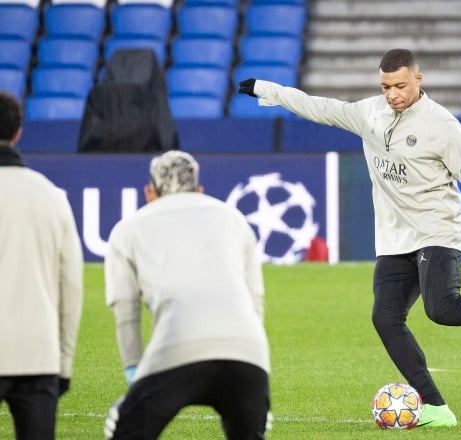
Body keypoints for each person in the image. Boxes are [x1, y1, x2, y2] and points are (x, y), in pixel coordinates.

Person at [238, 48, 461, 427]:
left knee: (442, 310)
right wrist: (268, 89)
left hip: (437, 230)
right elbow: (319, 107)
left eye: (399, 85)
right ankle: (436, 407)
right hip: (394, 238)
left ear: (418, 79)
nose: (392, 94)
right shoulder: (369, 114)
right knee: (385, 318)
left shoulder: (442, 126)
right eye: (385, 86)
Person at [103, 151, 270, 440]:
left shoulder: (127, 230)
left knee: (122, 429)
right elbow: (255, 298)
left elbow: (125, 311)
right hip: (248, 354)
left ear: (150, 193)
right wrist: (258, 394)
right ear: (200, 190)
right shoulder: (234, 219)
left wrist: (134, 370)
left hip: (176, 347)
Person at [0, 91, 84, 439]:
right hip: (38, 355)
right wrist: (62, 364)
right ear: (19, 132)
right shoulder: (51, 197)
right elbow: (71, 288)